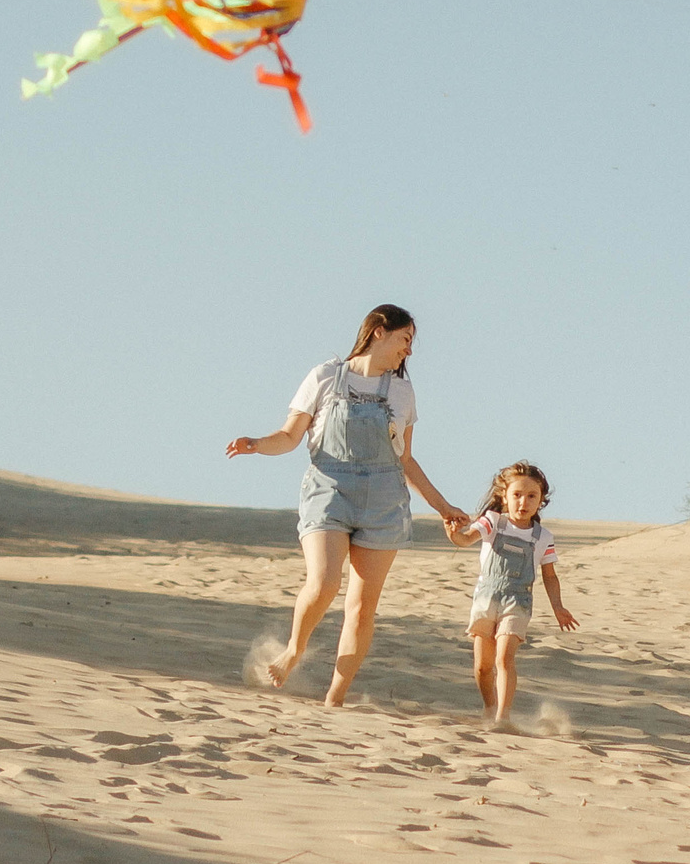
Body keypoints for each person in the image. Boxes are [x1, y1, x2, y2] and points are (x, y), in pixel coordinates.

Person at [226, 305, 467, 705]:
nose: (409, 350)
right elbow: (290, 436)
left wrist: (443, 507)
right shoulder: (324, 376)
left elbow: (405, 459)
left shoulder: (402, 392)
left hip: (384, 500)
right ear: (378, 331)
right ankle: (294, 649)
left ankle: (334, 699)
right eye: (405, 339)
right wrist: (256, 444)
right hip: (329, 489)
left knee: (361, 608)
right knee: (324, 583)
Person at [442, 461, 577, 725]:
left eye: (532, 496)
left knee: (504, 658)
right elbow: (466, 539)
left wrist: (558, 607)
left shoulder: (543, 537)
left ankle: (503, 717)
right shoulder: (492, 522)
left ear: (541, 501)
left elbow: (550, 576)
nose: (523, 502)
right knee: (483, 666)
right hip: (486, 599)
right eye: (517, 495)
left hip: (518, 602)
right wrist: (454, 535)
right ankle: (490, 707)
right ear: (504, 496)